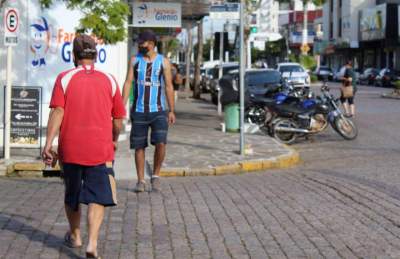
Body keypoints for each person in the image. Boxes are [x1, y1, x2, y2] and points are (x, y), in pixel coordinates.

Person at [42, 34, 126, 259]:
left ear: (74, 56)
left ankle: (76, 235)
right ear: (95, 55)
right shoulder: (109, 80)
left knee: (72, 193)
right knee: (98, 196)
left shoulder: (64, 78)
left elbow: (57, 111)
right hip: (100, 148)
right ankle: (92, 244)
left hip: (71, 148)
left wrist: (49, 144)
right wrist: (114, 139)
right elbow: (118, 119)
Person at [122, 30, 176, 193]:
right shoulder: (134, 61)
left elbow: (168, 86)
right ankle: (140, 181)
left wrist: (171, 110)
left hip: (159, 110)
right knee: (139, 146)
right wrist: (120, 107)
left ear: (151, 44)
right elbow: (128, 83)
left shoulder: (163, 62)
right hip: (139, 111)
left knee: (161, 143)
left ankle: (156, 175)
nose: (139, 45)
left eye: (142, 42)